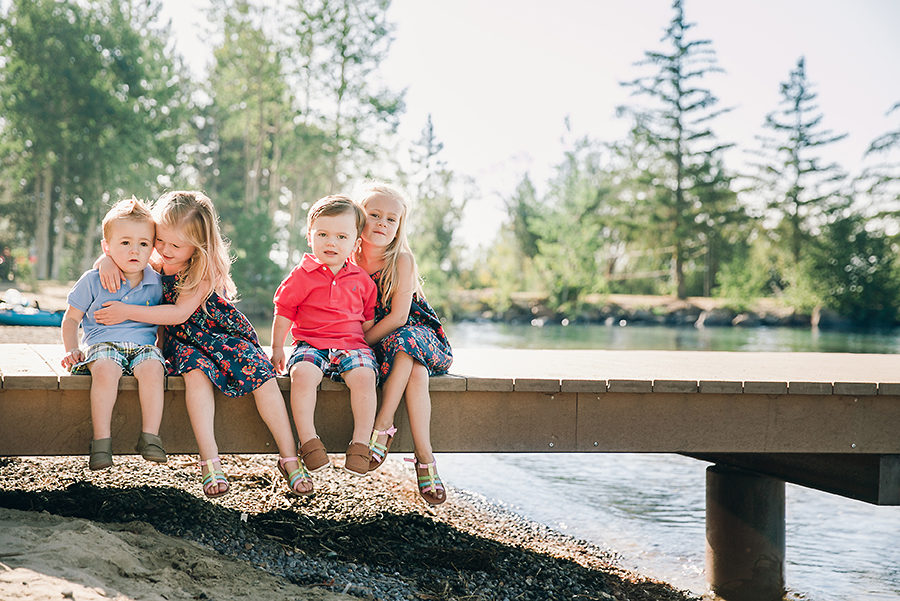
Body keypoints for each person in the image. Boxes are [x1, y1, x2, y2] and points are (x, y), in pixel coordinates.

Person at [94, 191, 310, 497]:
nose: (165, 249)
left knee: (261, 373)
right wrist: (105, 259)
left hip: (220, 333)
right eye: (160, 240)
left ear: (198, 246)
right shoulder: (152, 259)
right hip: (182, 341)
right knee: (196, 374)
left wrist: (126, 311)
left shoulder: (202, 269)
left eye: (176, 245)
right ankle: (210, 461)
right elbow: (122, 246)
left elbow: (179, 312)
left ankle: (289, 456)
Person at [353, 183, 452, 505]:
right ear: (357, 216)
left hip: (414, 330)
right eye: (374, 215)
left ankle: (383, 425)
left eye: (391, 219)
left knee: (406, 345)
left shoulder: (401, 260)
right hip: (380, 343)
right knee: (415, 373)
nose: (382, 223)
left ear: (399, 226)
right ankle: (425, 459)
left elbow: (398, 318)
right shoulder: (346, 256)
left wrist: (361, 344)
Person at [270, 194, 379, 482]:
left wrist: (374, 355)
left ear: (356, 243)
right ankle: (309, 442)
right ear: (310, 237)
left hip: (351, 345)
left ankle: (359, 444)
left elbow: (368, 324)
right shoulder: (300, 276)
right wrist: (278, 348)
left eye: (341, 236)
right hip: (310, 344)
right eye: (323, 234)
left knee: (365, 377)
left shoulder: (362, 280)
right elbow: (282, 312)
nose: (331, 242)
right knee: (303, 374)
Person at [60, 197, 166, 471]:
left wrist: (163, 350)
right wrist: (71, 349)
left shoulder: (156, 281)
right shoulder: (93, 280)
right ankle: (101, 443)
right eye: (125, 243)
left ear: (152, 248)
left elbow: (163, 323)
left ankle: (150, 437)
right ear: (107, 248)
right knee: (106, 370)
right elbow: (71, 319)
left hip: (144, 348)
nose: (135, 250)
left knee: (155, 369)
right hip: (103, 344)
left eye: (143, 243)